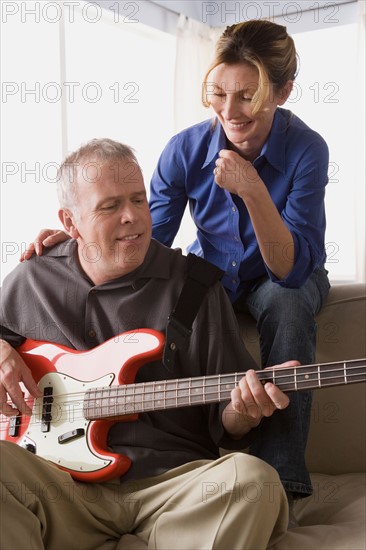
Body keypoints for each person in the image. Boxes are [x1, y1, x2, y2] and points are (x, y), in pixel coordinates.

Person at [21, 20, 330, 507]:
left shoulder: (308, 150)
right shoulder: (185, 149)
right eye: (218, 92)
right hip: (218, 275)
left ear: (283, 91)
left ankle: (282, 481)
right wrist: (82, 237)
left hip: (287, 274)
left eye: (248, 96)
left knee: (286, 302)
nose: (230, 111)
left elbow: (287, 270)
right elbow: (144, 246)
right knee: (185, 292)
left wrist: (251, 188)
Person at [0, 138, 295, 550]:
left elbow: (228, 422)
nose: (132, 217)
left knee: (253, 482)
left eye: (139, 200)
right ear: (70, 222)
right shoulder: (31, 279)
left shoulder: (196, 286)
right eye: (110, 206)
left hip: (170, 488)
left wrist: (244, 411)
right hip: (60, 488)